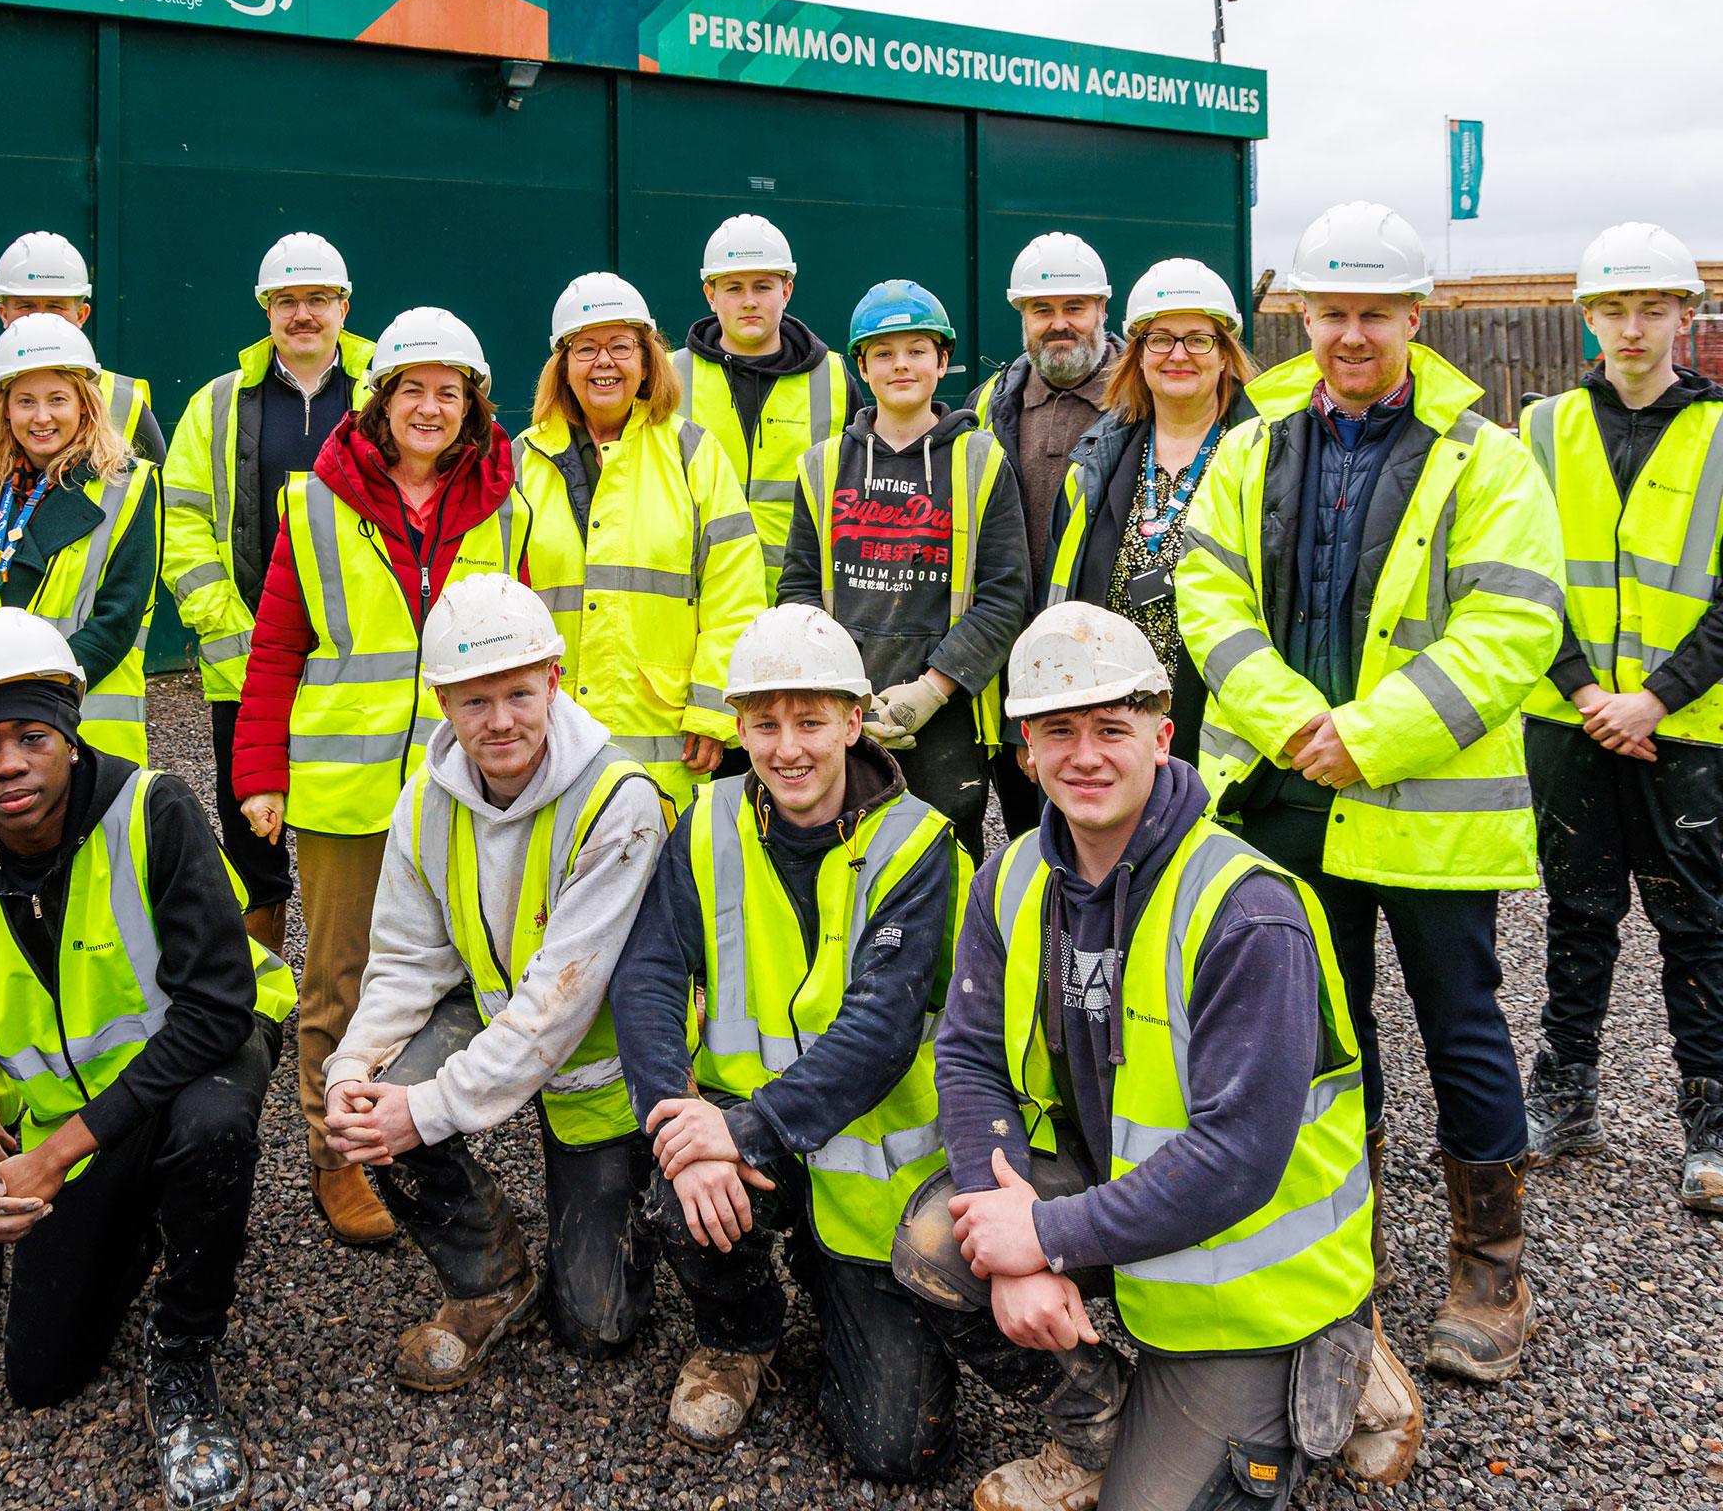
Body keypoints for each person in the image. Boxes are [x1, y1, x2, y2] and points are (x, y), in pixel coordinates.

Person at [894, 602, 1421, 1511]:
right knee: (941, 1244)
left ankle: (1343, 1348)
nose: (1086, 755)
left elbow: (1238, 1161)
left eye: (1112, 727)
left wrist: (1049, 1237)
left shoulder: (1245, 911)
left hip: (1251, 1273)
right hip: (1125, 1195)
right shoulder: (1012, 878)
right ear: (1025, 749)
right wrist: (1013, 1240)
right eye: (1059, 731)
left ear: (1163, 735)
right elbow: (971, 1056)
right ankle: (1095, 1425)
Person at [1175, 201, 1564, 1383]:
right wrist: (1299, 724)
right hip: (1285, 792)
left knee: (1461, 1029)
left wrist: (1367, 738)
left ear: (1413, 316)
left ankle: (1489, 1271)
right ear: (1297, 314)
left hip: (1426, 805)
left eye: (1372, 315)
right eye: (1329, 312)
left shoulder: (1484, 458)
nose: (1349, 335)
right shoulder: (1249, 448)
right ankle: (1341, 1257)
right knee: (1319, 1038)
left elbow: (1514, 625)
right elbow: (1206, 594)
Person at [0, 608, 297, 1511]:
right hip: (90, 1120)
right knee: (40, 1376)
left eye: (33, 736)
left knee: (213, 1125)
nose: (9, 764)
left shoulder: (154, 811)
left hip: (205, 1055)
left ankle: (185, 1351)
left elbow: (216, 1005)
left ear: (70, 735)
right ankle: (143, 1202)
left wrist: (60, 1151)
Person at [612, 603, 967, 1480]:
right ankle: (740, 1334)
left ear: (854, 720)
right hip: (748, 1136)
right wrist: (679, 1125)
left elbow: (881, 1033)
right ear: (737, 727)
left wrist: (737, 1134)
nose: (787, 747)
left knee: (899, 1451)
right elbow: (648, 975)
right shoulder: (706, 823)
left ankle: (827, 1266)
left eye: (811, 720)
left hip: (867, 1176)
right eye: (763, 723)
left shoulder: (920, 848)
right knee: (673, 1191)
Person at [320, 574, 669, 1388]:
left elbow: (558, 1006)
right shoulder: (425, 801)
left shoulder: (620, 802)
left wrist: (431, 1108)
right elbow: (404, 962)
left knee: (599, 1325)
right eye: (475, 701)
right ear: (440, 700)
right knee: (377, 1111)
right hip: (496, 1019)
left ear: (555, 678)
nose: (502, 719)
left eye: (519, 692)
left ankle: (633, 1199)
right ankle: (491, 1282)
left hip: (600, 1066)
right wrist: (354, 1069)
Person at [233, 308, 520, 1247]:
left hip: (465, 785)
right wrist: (259, 774)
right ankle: (336, 1157)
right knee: (340, 981)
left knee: (467, 972)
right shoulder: (317, 501)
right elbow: (276, 646)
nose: (429, 408)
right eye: (411, 390)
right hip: (347, 795)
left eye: (449, 391)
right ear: (381, 401)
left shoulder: (508, 504)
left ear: (472, 406)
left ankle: (418, 1130)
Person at [1519, 222, 1723, 1214]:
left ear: (1684, 316)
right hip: (1568, 717)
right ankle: (1562, 1099)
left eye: (1651, 308)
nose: (1631, 329)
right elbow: (1512, 577)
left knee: (1696, 924)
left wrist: (1650, 697)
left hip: (1686, 726)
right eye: (1612, 309)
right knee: (1575, 911)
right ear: (1586, 317)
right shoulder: (1540, 429)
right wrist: (1584, 692)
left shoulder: (1722, 430)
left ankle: (1710, 1124)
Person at [163, 233, 374, 955]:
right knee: (253, 827)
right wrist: (234, 629)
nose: (303, 314)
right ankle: (266, 993)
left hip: (364, 662)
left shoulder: (389, 390)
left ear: (345, 306)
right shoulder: (218, 405)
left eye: (318, 299)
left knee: (369, 822)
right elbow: (182, 522)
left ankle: (370, 979)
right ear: (266, 309)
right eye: (288, 301)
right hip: (248, 661)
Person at [779, 279, 1028, 863]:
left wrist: (932, 690)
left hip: (943, 723)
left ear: (943, 361)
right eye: (883, 352)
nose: (901, 365)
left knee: (944, 870)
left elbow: (1004, 595)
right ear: (861, 366)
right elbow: (798, 592)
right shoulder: (821, 466)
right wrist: (840, 697)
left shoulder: (982, 460)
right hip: (843, 715)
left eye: (917, 350)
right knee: (845, 862)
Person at [512, 272, 767, 808]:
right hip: (543, 735)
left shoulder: (692, 453)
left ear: (648, 359)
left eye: (620, 346)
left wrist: (711, 710)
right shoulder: (522, 459)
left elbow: (734, 593)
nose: (604, 362)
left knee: (661, 881)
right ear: (562, 364)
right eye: (585, 348)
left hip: (662, 738)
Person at [1042, 259, 1260, 765]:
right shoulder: (1095, 463)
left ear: (1225, 355)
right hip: (1113, 722)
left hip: (1223, 718)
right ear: (1137, 355)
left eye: (1198, 339)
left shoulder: (1265, 458)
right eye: (1160, 339)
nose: (1178, 354)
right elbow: (1061, 596)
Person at [0, 313, 160, 766]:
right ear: (5, 408)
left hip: (80, 723)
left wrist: (26, 694)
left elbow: (118, 617)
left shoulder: (126, 487)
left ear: (84, 405)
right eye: (25, 401)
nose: (42, 416)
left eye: (58, 399)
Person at [969, 233, 1122, 841]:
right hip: (1014, 667)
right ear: (1022, 316)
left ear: (1103, 311)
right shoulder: (987, 407)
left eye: (1075, 308)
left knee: (1114, 837)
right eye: (1042, 310)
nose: (1059, 325)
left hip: (1109, 667)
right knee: (1032, 837)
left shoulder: (1144, 400)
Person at [670, 214, 858, 601]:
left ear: (787, 290)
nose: (749, 301)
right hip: (695, 597)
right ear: (711, 294)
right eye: (733, 288)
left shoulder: (835, 379)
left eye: (763, 286)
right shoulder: (670, 376)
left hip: (801, 602)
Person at [0, 232, 165, 520]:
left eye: (55, 306)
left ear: (81, 315)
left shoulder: (125, 401)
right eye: (25, 306)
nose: (40, 318)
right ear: (3, 313)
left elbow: (159, 512)